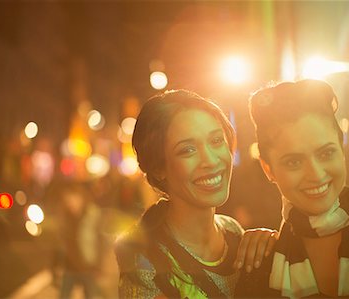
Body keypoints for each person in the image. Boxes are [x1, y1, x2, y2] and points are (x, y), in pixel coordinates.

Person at [236, 79, 349, 298]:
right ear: (268, 169)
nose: (316, 174)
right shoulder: (258, 264)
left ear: (341, 149)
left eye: (325, 153)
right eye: (294, 162)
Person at [114, 90, 277, 298]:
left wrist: (271, 246)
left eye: (217, 140)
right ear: (158, 168)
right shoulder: (145, 264)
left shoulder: (234, 232)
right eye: (187, 150)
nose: (210, 160)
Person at [53, 181, 104, 299]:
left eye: (73, 199)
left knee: (91, 295)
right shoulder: (64, 217)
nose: (71, 203)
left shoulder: (93, 215)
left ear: (81, 198)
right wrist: (55, 268)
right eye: (67, 200)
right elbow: (58, 244)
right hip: (68, 267)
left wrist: (99, 265)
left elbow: (100, 241)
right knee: (63, 296)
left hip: (88, 265)